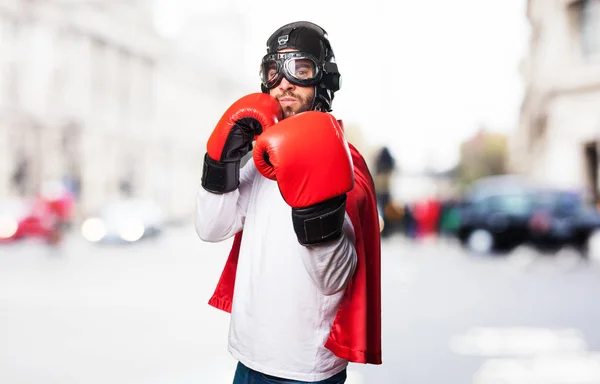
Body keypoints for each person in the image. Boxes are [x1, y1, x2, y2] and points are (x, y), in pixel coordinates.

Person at [195, 21, 381, 383]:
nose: (284, 82)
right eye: (273, 70)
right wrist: (222, 162)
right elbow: (210, 228)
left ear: (323, 80)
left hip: (302, 371)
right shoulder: (262, 159)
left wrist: (317, 208)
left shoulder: (345, 163)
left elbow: (333, 280)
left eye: (300, 69)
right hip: (246, 357)